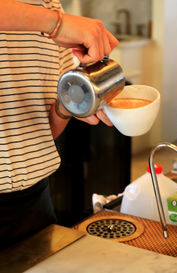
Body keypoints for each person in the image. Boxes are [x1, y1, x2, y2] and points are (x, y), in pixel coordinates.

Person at [0, 0, 118, 249]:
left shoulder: (49, 4)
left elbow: (46, 132)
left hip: (33, 205)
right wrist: (55, 23)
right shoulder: (52, 18)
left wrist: (67, 105)